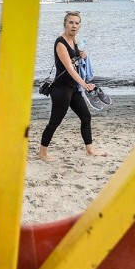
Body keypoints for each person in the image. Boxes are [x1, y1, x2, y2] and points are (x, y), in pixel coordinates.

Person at [39, 11, 106, 162]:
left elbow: (75, 62)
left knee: (86, 116)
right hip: (61, 90)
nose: (74, 25)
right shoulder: (61, 42)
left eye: (77, 23)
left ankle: (90, 149)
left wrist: (83, 56)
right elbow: (68, 67)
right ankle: (42, 153)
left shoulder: (74, 41)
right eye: (71, 22)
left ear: (80, 26)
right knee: (55, 121)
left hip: (73, 88)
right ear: (65, 24)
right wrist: (85, 84)